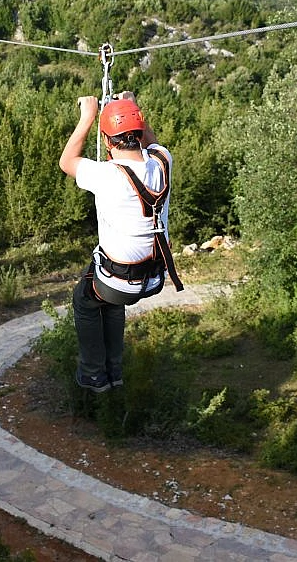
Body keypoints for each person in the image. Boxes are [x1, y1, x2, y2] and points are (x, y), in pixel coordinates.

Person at [59, 91, 177, 393]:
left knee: (85, 299)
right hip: (153, 278)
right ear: (139, 132)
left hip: (119, 281)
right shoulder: (163, 162)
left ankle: (93, 374)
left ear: (108, 141)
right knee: (110, 302)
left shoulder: (107, 175)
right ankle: (114, 370)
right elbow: (152, 144)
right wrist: (132, 107)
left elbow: (67, 161)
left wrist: (87, 117)